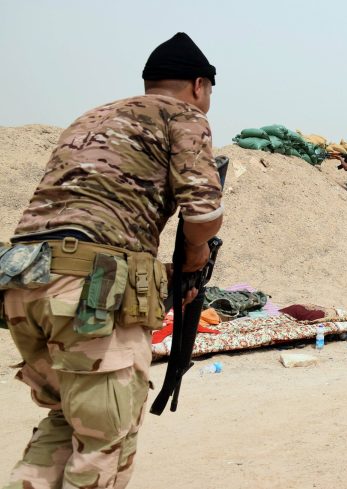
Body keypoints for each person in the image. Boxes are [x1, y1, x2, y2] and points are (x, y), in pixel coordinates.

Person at [1, 32, 223, 489]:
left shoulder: (90, 117)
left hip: (21, 280)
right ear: (199, 85)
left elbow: (87, 214)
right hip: (88, 294)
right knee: (108, 439)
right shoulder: (182, 115)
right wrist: (193, 263)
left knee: (68, 417)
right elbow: (202, 212)